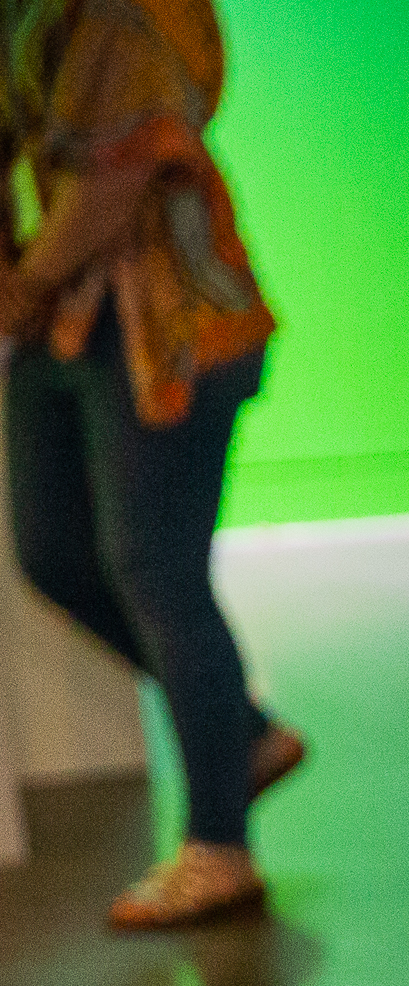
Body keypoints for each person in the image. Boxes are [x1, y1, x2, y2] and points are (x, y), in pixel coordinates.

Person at [0, 0, 297, 930]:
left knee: (158, 573)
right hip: (69, 321)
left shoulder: (131, 15)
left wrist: (23, 286)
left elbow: (110, 179)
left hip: (167, 323)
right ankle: (239, 736)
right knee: (55, 553)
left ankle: (220, 848)